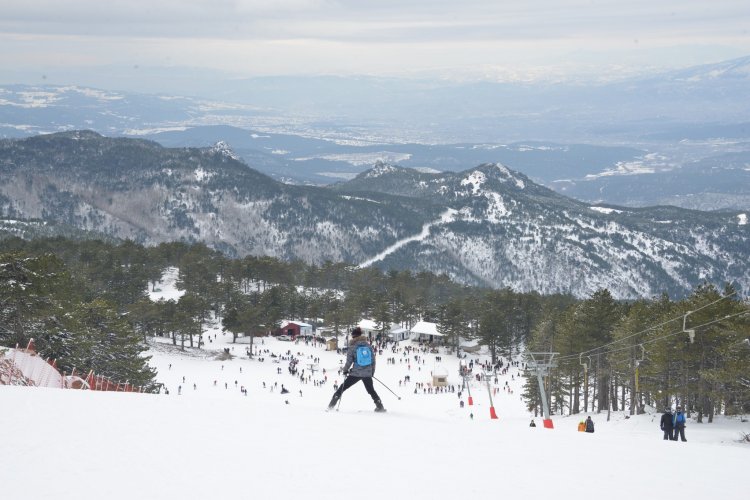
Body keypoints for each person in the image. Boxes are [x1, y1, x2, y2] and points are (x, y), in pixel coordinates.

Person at [327, 327, 385, 412]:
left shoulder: (353, 347)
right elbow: (373, 360)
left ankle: (331, 405)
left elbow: (349, 362)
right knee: (371, 390)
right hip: (367, 373)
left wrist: (345, 370)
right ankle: (380, 406)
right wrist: (372, 372)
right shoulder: (368, 346)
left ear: (353, 336)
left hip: (356, 373)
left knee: (342, 388)